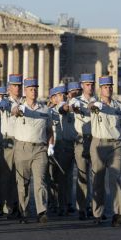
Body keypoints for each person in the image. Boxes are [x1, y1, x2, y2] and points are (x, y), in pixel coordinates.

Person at [89, 76, 121, 226]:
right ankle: (97, 213)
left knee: (115, 178)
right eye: (106, 86)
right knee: (98, 180)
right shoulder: (95, 104)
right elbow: (90, 107)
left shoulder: (118, 106)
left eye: (110, 86)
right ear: (101, 89)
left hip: (116, 145)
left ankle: (118, 214)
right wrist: (95, 106)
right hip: (99, 144)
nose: (109, 89)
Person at [12, 78, 54, 224]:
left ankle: (41, 211)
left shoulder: (45, 110)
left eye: (35, 89)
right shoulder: (19, 107)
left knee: (40, 181)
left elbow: (49, 130)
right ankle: (23, 210)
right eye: (31, 89)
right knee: (22, 183)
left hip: (40, 149)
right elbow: (15, 111)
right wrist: (19, 109)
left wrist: (50, 146)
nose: (34, 91)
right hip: (22, 148)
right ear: (25, 91)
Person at [68, 74, 96, 220]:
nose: (90, 87)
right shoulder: (76, 100)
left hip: (96, 140)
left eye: (92, 84)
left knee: (97, 175)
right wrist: (75, 107)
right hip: (81, 139)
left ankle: (95, 207)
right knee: (82, 175)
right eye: (87, 84)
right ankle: (82, 207)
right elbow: (71, 107)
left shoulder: (99, 101)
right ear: (82, 86)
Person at [0, 74, 23, 219]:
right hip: (8, 141)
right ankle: (7, 206)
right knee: (7, 176)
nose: (17, 88)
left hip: (22, 140)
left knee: (21, 176)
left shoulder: (25, 102)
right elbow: (0, 106)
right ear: (9, 88)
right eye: (14, 85)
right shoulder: (4, 101)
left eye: (19, 85)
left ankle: (19, 205)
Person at [48, 85, 77, 215]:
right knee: (53, 176)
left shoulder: (70, 110)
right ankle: (54, 202)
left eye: (64, 94)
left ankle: (65, 203)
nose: (63, 96)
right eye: (60, 95)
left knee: (66, 176)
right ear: (53, 98)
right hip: (55, 146)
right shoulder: (49, 112)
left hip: (69, 145)